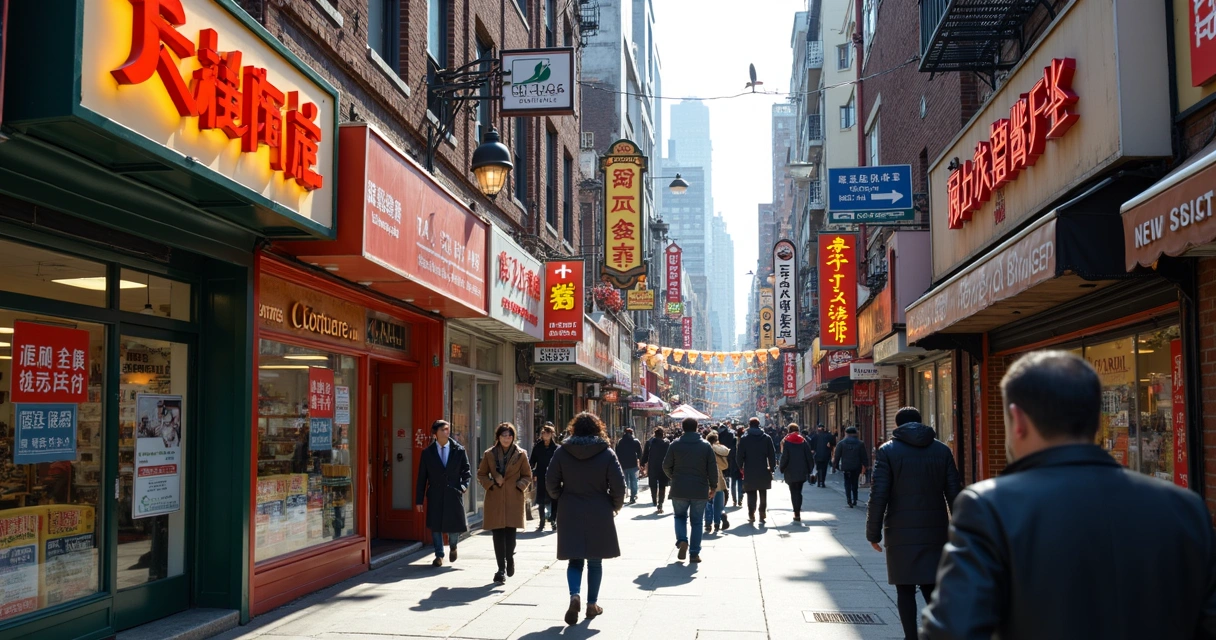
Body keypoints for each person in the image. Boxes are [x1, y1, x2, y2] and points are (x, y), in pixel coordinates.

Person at [922, 351, 1216, 639]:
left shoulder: (989, 507)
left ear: (1018, 420)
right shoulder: (1186, 508)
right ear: (1098, 420)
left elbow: (952, 630)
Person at [865, 407, 960, 640]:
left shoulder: (888, 451)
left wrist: (873, 533)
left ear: (897, 426)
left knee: (904, 588)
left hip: (900, 531)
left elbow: (879, 494)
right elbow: (955, 493)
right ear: (920, 422)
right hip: (936, 529)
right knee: (932, 586)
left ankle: (911, 637)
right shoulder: (942, 450)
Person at [546, 412, 626, 626]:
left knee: (574, 558)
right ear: (597, 428)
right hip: (598, 509)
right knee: (595, 561)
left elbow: (550, 480)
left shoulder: (562, 452)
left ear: (574, 429)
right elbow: (619, 485)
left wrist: (559, 497)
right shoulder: (607, 452)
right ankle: (592, 604)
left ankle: (574, 595)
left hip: (569, 508)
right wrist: (614, 505)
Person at [477, 422, 532, 584]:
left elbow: (527, 475)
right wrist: (492, 483)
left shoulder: (521, 454)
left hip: (513, 498)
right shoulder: (490, 454)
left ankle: (510, 558)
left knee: (511, 534)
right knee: (497, 534)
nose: (506, 439)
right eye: (503, 436)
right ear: (498, 437)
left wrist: (519, 486)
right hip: (495, 497)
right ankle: (500, 569)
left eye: (509, 436)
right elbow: (481, 474)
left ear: (513, 437)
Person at [415, 420, 472, 567]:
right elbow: (422, 477)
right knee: (436, 526)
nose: (446, 432)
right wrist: (419, 500)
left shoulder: (459, 450)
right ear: (435, 433)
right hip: (435, 493)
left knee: (453, 526)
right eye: (443, 430)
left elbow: (467, 472)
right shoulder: (427, 453)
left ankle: (453, 546)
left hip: (453, 492)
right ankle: (439, 555)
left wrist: (463, 487)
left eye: (447, 429)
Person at [662, 417, 717, 563]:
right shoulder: (706, 446)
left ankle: (682, 540)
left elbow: (666, 465)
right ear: (697, 427)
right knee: (697, 522)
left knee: (679, 516)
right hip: (700, 488)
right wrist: (713, 486)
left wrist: (673, 476)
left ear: (683, 427)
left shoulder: (675, 444)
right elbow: (712, 468)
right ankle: (694, 553)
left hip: (679, 487)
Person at [737, 417, 775, 525]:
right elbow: (771, 454)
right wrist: (772, 468)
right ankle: (762, 514)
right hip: (763, 469)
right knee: (763, 492)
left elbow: (739, 455)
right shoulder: (766, 438)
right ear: (759, 425)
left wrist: (740, 466)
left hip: (749, 469)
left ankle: (751, 513)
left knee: (751, 493)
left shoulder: (744, 439)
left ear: (749, 425)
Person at [777, 423, 813, 522]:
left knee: (793, 492)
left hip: (790, 470)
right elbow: (809, 456)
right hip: (802, 470)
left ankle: (796, 512)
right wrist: (810, 469)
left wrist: (782, 468)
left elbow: (784, 457)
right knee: (799, 491)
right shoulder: (803, 441)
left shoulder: (786, 441)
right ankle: (798, 509)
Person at [530, 424, 559, 531]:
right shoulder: (538, 447)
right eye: (543, 433)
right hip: (541, 475)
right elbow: (532, 461)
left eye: (548, 433)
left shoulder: (556, 448)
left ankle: (553, 520)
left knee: (554, 498)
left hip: (554, 476)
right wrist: (533, 472)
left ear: (552, 434)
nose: (545, 435)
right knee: (541, 499)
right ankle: (542, 521)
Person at [833, 426, 870, 508]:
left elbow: (837, 456)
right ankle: (855, 499)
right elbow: (864, 456)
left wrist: (835, 466)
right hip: (856, 466)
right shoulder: (860, 443)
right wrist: (866, 466)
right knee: (855, 483)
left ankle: (849, 499)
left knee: (847, 483)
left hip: (846, 466)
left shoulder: (841, 443)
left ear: (846, 433)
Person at [705, 432, 731, 533]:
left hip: (706, 479)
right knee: (718, 504)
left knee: (708, 503)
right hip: (719, 479)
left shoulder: (705, 449)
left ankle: (708, 523)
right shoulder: (719, 449)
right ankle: (717, 522)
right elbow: (724, 465)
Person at [641, 427, 671, 513]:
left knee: (653, 484)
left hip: (653, 467)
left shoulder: (649, 443)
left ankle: (654, 500)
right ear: (663, 435)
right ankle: (660, 503)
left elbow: (645, 454)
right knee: (662, 486)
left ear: (655, 434)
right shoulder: (667, 443)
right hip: (663, 467)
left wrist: (643, 463)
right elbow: (670, 456)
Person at [614, 427, 643, 504]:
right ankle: (633, 496)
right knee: (634, 480)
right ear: (632, 433)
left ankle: (624, 495)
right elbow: (640, 453)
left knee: (625, 481)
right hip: (633, 464)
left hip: (623, 465)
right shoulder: (635, 441)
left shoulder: (620, 442)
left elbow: (616, 453)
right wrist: (640, 461)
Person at [716, 423, 740, 506]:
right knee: (732, 479)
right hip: (730, 459)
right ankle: (733, 499)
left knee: (722, 480)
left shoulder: (718, 435)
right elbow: (733, 447)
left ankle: (724, 499)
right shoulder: (731, 434)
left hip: (720, 459)